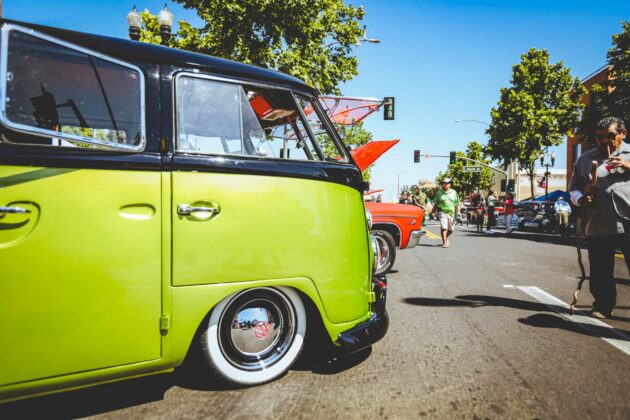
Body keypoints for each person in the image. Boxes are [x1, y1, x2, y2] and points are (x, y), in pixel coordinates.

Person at [569, 116, 630, 319]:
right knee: (601, 269)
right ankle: (603, 306)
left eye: (610, 136)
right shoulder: (585, 159)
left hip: (628, 220)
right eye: (600, 137)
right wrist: (580, 199)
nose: (604, 141)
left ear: (623, 134)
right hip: (599, 221)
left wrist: (627, 165)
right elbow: (574, 187)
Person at [433, 178, 460, 248]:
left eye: (448, 183)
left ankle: (445, 238)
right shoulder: (439, 193)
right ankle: (445, 242)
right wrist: (433, 211)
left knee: (451, 229)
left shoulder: (454, 192)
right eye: (445, 183)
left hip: (451, 213)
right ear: (442, 184)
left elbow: (457, 203)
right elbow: (435, 203)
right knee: (444, 227)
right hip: (442, 212)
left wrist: (459, 211)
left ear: (450, 184)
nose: (446, 184)